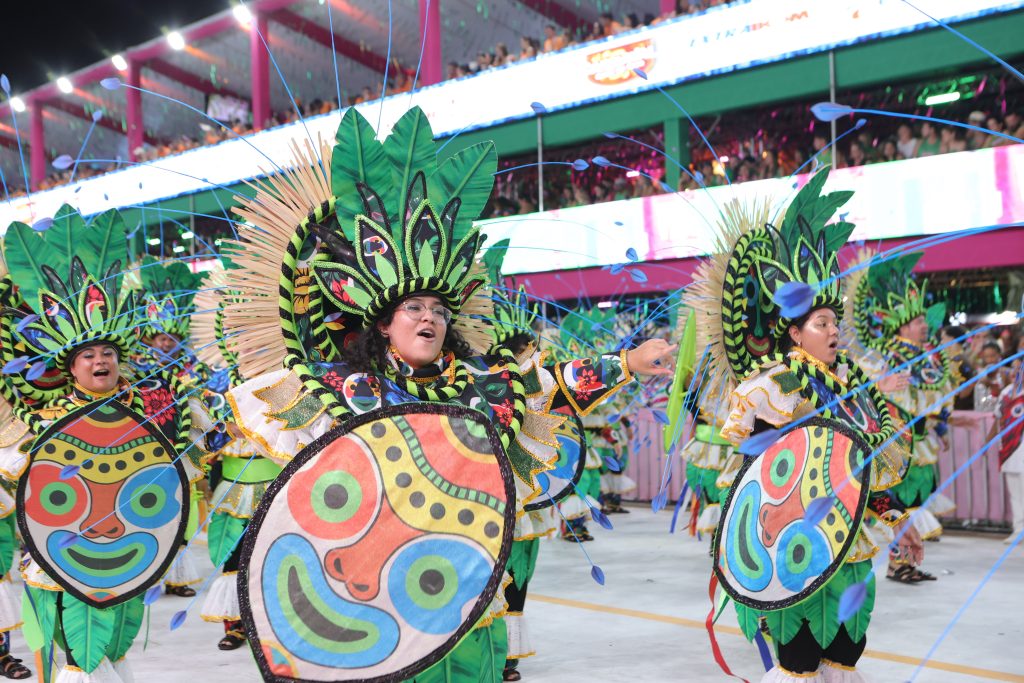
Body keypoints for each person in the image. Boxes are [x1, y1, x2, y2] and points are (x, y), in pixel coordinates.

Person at [219, 105, 676, 683]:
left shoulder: (482, 384)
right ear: (383, 322)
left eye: (439, 309)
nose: (429, 318)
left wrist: (629, 362)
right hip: (374, 595)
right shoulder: (342, 390)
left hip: (464, 585)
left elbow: (550, 388)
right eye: (414, 308)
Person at [685, 168, 918, 682]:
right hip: (794, 549)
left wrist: (898, 518)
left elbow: (864, 465)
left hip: (850, 544)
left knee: (846, 653)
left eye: (836, 323)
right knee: (801, 662)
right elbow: (750, 478)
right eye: (821, 324)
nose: (834, 331)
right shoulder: (769, 387)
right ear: (793, 332)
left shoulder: (854, 390)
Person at [0, 207, 195, 683]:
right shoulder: (41, 420)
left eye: (108, 352)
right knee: (69, 648)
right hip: (60, 552)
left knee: (112, 643)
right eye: (88, 354)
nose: (100, 360)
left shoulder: (153, 406)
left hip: (126, 548)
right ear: (71, 367)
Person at [848, 251, 953, 575]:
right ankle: (898, 562)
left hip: (920, 442)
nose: (924, 326)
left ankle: (907, 559)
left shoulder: (928, 358)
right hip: (897, 441)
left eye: (923, 321)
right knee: (899, 500)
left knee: (915, 498)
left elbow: (934, 399)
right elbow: (866, 392)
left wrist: (941, 426)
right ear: (903, 325)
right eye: (919, 321)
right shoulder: (884, 357)